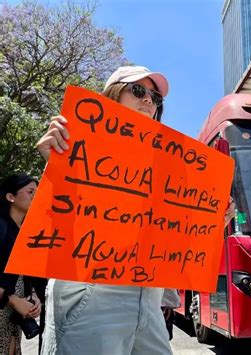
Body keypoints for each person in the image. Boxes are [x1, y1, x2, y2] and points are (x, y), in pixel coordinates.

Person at [36, 66, 173, 355]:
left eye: (155, 97)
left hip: (148, 297)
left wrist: (212, 221)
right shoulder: (78, 144)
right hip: (93, 291)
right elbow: (56, 216)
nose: (149, 100)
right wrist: (55, 164)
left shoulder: (166, 165)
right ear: (112, 96)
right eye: (138, 91)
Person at [0, 173, 42, 355]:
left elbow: (26, 272)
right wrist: (12, 298)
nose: (36, 196)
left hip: (16, 311)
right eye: (30, 191)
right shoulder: (1, 228)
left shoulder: (27, 231)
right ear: (11, 197)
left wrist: (33, 296)